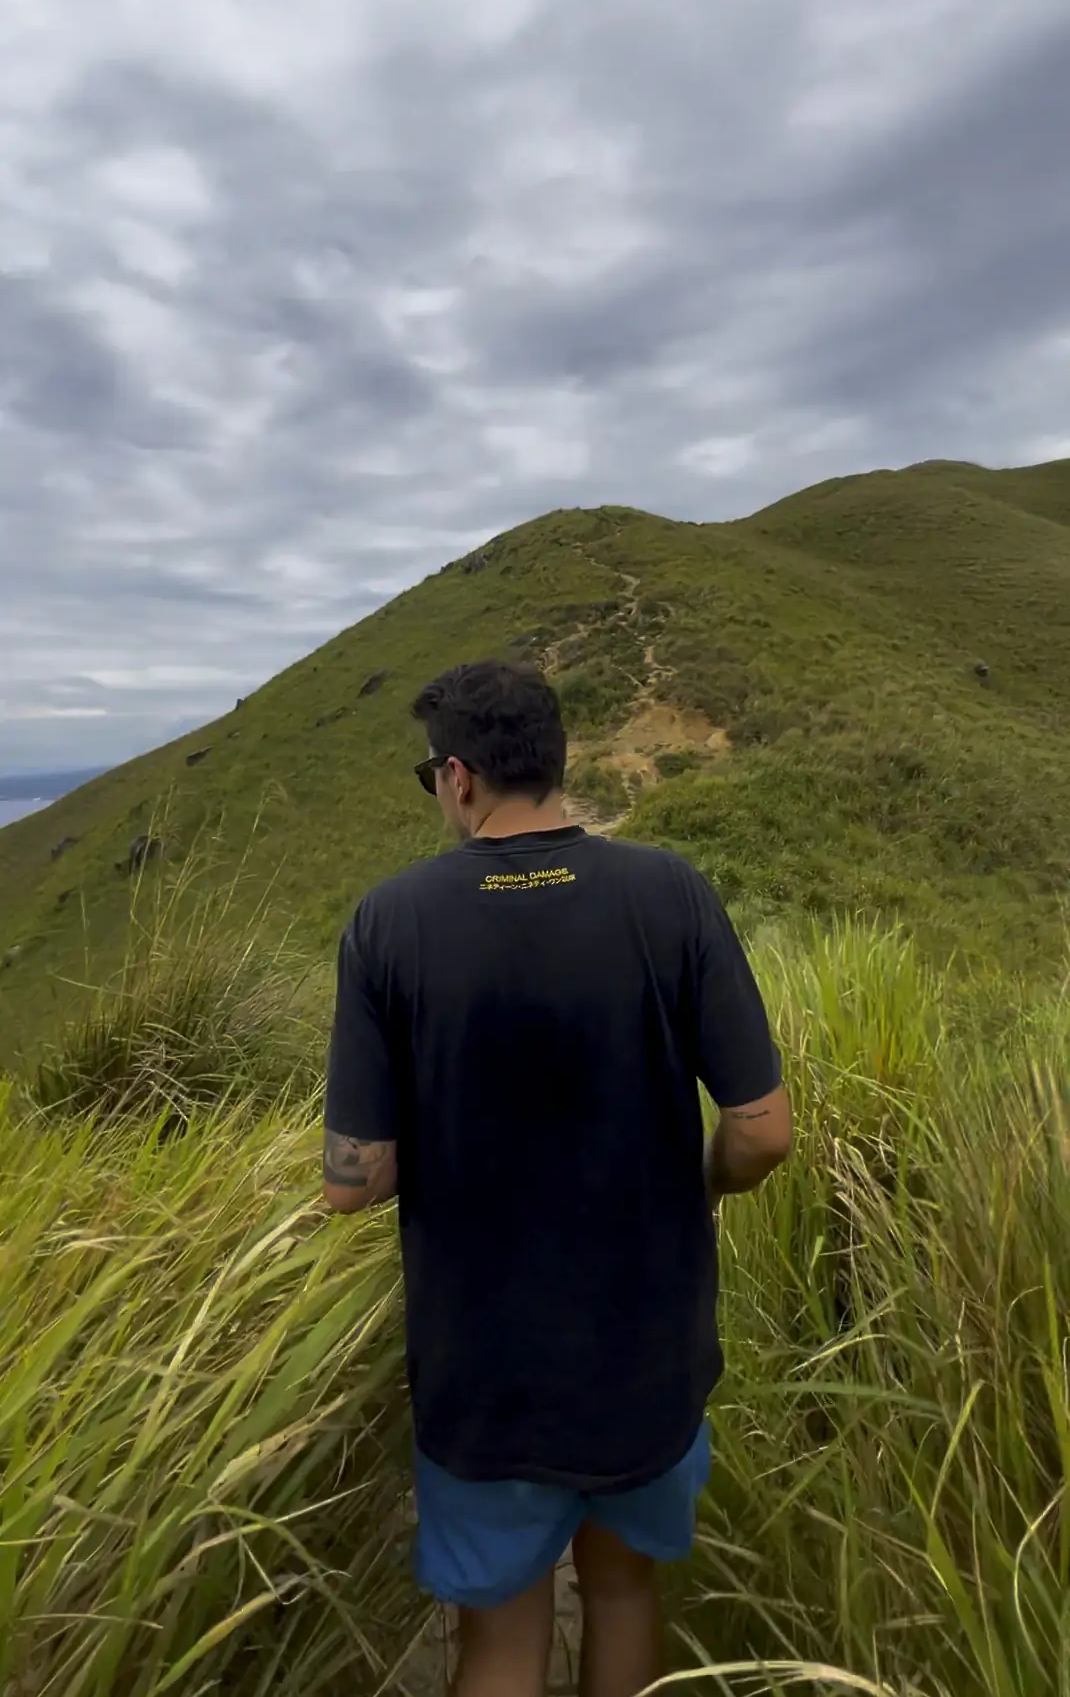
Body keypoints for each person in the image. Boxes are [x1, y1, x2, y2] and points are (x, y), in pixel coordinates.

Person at [322, 659, 791, 1697]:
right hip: (648, 1356)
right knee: (623, 1594)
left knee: (498, 1640)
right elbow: (761, 1132)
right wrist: (701, 1184)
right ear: (554, 760)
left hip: (482, 1374)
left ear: (456, 777)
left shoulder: (386, 923)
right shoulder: (668, 892)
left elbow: (354, 1180)